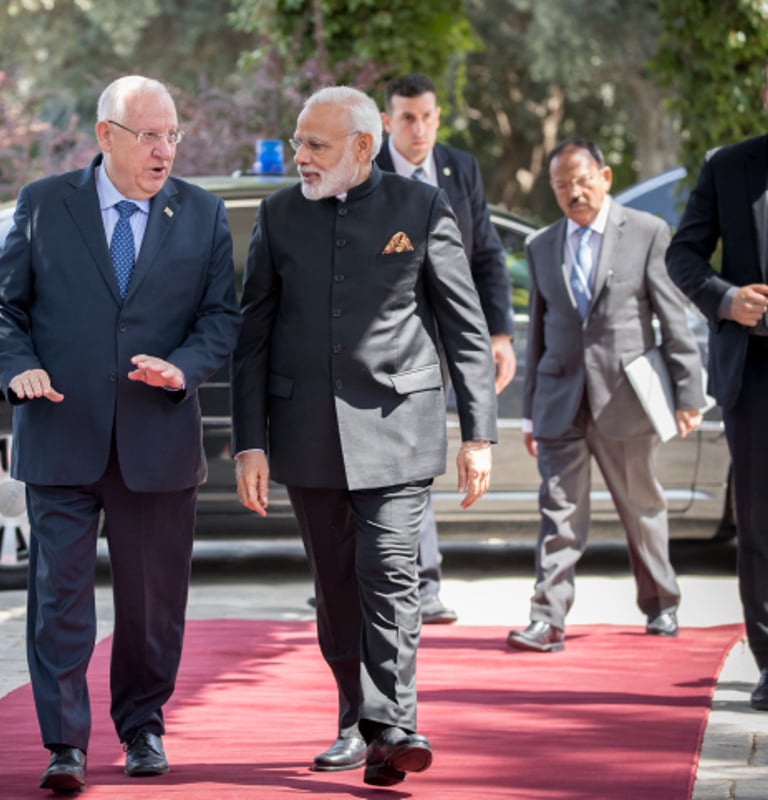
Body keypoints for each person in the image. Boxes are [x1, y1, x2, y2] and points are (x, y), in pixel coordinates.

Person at [0, 75, 240, 793]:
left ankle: (143, 727)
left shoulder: (203, 214)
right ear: (105, 136)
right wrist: (20, 366)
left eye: (171, 135)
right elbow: (1, 305)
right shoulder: (44, 203)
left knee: (154, 603)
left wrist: (182, 369)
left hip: (157, 439)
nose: (164, 151)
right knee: (58, 598)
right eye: (148, 135)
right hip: (61, 431)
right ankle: (65, 744)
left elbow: (222, 319)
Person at [231, 86, 497, 788]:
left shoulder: (422, 209)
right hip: (308, 434)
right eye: (297, 142)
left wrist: (479, 435)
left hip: (397, 432)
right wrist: (249, 443)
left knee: (391, 579)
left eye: (316, 145)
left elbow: (463, 328)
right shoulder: (279, 213)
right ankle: (357, 721)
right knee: (336, 591)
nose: (301, 157)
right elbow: (251, 335)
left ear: (361, 147)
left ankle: (395, 726)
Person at [507, 139, 705, 654]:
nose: (574, 192)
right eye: (561, 185)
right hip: (559, 400)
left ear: (606, 177)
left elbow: (672, 320)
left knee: (641, 507)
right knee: (558, 513)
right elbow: (540, 337)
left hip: (625, 397)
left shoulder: (645, 233)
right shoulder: (542, 245)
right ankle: (547, 619)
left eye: (582, 180)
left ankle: (661, 604)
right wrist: (530, 415)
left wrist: (688, 393)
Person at [374, 73, 515, 626]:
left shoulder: (460, 167)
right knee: (403, 460)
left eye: (428, 116)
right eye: (407, 117)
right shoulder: (367, 168)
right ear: (386, 122)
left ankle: (420, 582)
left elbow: (487, 256)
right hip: (388, 343)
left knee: (424, 454)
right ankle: (409, 579)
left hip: (449, 339)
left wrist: (498, 333)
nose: (420, 128)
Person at [666, 65, 768, 712]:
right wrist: (726, 299)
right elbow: (684, 255)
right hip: (755, 376)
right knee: (761, 525)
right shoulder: (729, 166)